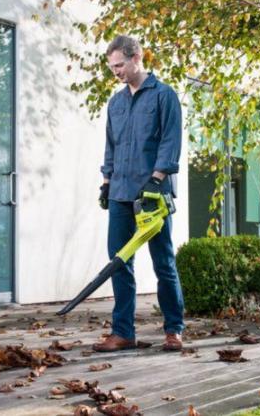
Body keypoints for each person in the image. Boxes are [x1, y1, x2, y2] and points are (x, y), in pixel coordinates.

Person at [93, 35, 185, 352]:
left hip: (152, 196)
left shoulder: (164, 96)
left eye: (119, 65)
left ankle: (173, 330)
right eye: (112, 67)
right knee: (119, 263)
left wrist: (157, 178)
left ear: (137, 58)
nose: (115, 71)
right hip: (120, 192)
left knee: (164, 264)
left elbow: (170, 141)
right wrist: (106, 182)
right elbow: (111, 145)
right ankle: (123, 332)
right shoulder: (116, 103)